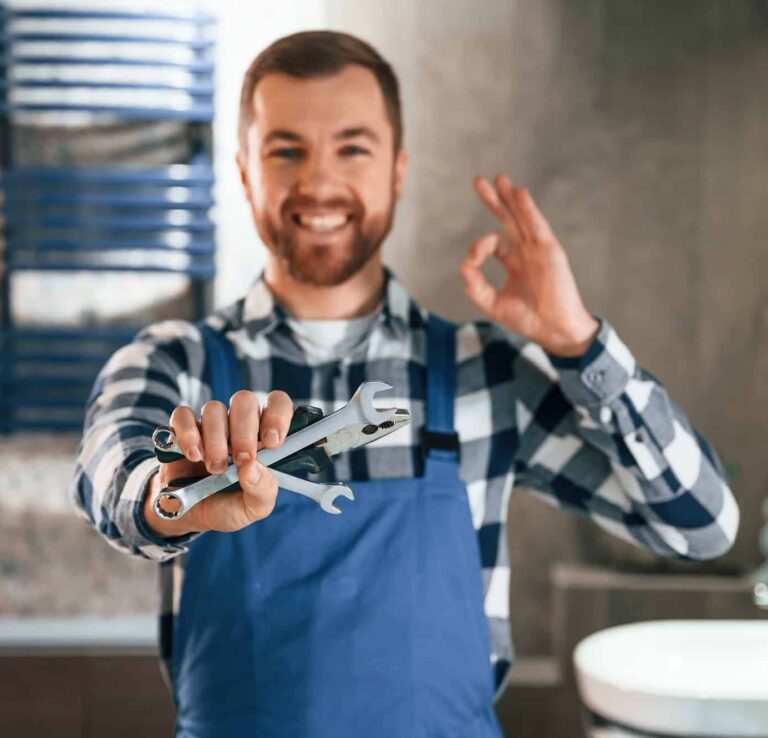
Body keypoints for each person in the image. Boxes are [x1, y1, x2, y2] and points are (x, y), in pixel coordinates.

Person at [69, 30, 739, 738]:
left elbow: (702, 526)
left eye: (352, 147)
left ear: (397, 170)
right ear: (243, 172)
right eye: (285, 149)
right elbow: (111, 484)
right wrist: (177, 497)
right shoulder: (175, 363)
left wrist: (580, 346)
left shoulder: (488, 377)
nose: (320, 182)